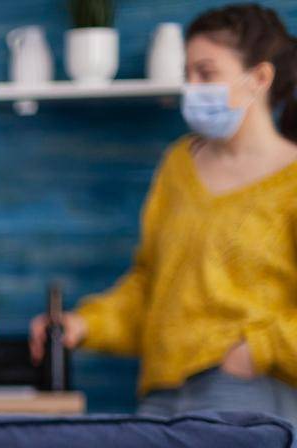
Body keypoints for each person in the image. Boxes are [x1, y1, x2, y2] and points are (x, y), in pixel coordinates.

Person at [32, 4, 297, 418]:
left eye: (206, 73)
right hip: (161, 393)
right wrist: (85, 325)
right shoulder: (179, 166)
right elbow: (152, 285)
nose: (191, 88)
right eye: (187, 74)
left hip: (248, 392)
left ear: (260, 78)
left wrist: (256, 351)